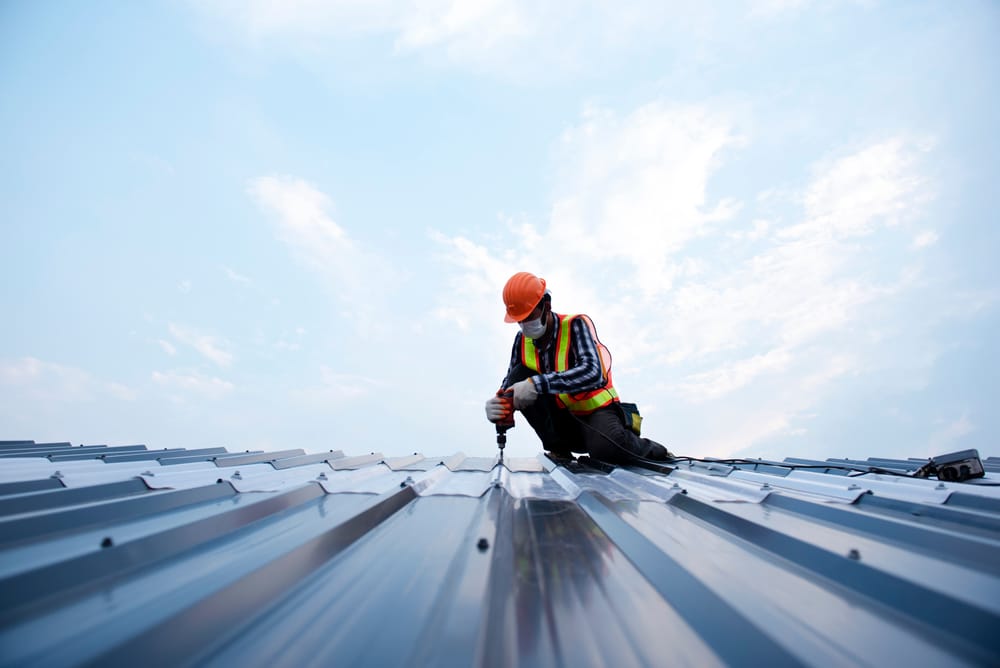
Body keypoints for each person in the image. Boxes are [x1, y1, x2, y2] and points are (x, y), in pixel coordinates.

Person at [484, 271, 672, 464]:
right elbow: (511, 381)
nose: (524, 325)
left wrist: (537, 384)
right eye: (519, 320)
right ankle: (559, 450)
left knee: (606, 450)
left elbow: (593, 372)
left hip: (596, 414)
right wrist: (500, 402)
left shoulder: (574, 325)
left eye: (528, 316)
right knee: (520, 375)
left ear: (546, 306)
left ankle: (656, 451)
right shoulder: (521, 340)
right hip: (563, 423)